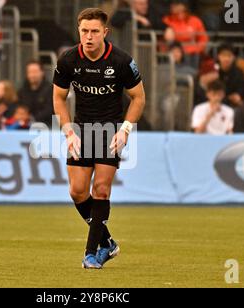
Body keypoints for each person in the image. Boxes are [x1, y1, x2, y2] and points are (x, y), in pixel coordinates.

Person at [53, 8, 145, 269]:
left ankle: (91, 253)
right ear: (78, 31)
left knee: (101, 189)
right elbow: (59, 98)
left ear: (105, 32)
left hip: (109, 131)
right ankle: (109, 243)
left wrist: (125, 129)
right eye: (84, 31)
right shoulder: (68, 60)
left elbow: (138, 98)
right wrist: (68, 131)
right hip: (81, 131)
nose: (89, 36)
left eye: (94, 31)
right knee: (77, 191)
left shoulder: (121, 61)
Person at [18, 61, 54, 127]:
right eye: (30, 72)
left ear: (42, 72)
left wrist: (32, 118)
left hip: (48, 126)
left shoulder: (51, 89)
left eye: (35, 72)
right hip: (26, 126)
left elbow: (50, 110)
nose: (32, 75)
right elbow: (19, 107)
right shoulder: (22, 91)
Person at [215, 43, 244, 108]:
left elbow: (241, 91)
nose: (226, 59)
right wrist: (228, 97)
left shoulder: (239, 73)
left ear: (233, 57)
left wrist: (237, 96)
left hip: (233, 105)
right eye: (223, 55)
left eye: (229, 56)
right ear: (218, 56)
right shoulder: (214, 71)